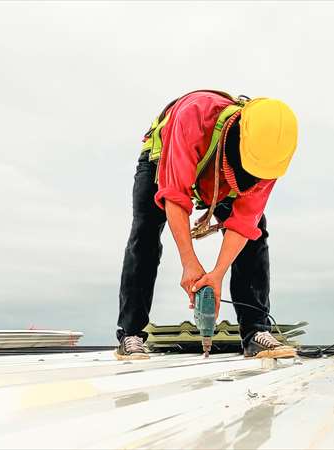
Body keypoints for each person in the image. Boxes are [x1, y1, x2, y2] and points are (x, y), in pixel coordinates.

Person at [115, 90, 299, 360]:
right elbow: (175, 196)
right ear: (239, 135)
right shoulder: (194, 115)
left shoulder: (272, 156)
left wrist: (217, 274)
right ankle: (131, 333)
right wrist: (189, 263)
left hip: (222, 178)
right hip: (161, 160)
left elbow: (244, 223)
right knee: (145, 232)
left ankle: (256, 332)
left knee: (257, 235)